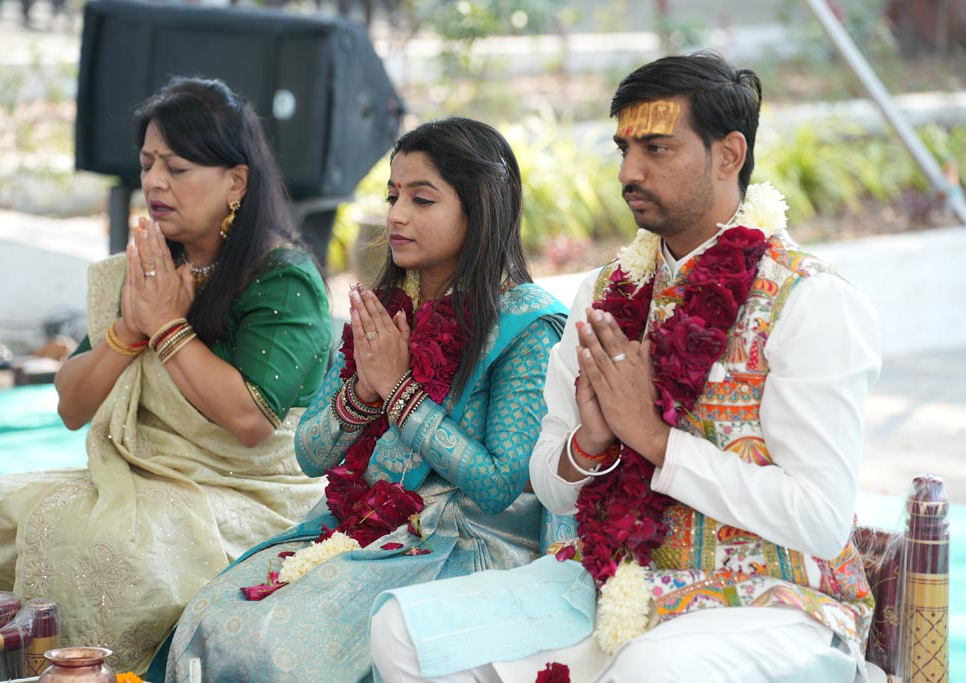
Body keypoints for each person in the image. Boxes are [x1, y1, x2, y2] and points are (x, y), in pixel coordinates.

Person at [369, 51, 882, 683]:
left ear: (729, 155)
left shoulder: (808, 300)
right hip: (609, 579)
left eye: (657, 149)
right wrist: (590, 443)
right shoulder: (605, 292)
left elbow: (819, 517)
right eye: (623, 150)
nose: (629, 172)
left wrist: (657, 442)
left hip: (772, 599)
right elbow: (550, 483)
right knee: (402, 632)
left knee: (650, 670)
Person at [0, 77, 333, 673]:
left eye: (176, 167)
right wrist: (129, 330)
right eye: (148, 163)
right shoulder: (145, 268)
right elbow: (71, 407)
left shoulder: (281, 279)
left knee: (110, 548)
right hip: (139, 472)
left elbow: (250, 420)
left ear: (237, 180)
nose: (153, 181)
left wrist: (169, 328)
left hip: (247, 492)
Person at [157, 117, 569, 683]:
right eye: (393, 195)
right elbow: (309, 454)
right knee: (214, 616)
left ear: (479, 210)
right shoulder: (382, 310)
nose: (396, 214)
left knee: (283, 649)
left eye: (422, 199)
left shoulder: (525, 328)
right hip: (362, 523)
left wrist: (401, 395)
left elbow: (499, 484)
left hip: (461, 544)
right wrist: (364, 392)